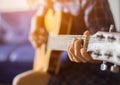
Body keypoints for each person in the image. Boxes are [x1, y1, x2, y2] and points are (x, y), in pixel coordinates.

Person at [13, 0, 120, 85]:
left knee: (22, 82)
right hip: (69, 64)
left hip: (96, 70)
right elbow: (40, 8)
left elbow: (104, 51)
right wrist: (35, 24)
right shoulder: (49, 2)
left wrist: (90, 55)